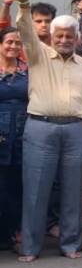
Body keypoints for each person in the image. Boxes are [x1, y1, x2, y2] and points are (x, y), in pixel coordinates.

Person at [13, 0, 82, 262]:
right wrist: (25, 5)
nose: (64, 40)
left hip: (77, 130)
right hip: (40, 128)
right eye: (59, 35)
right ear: (51, 38)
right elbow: (26, 30)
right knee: (36, 190)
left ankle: (71, 244)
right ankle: (30, 247)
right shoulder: (37, 55)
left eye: (69, 36)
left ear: (77, 39)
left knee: (73, 190)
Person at [0, 27, 26, 251]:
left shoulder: (28, 71)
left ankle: (13, 231)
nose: (13, 46)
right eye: (9, 42)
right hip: (0, 132)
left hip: (23, 134)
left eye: (18, 43)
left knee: (17, 186)